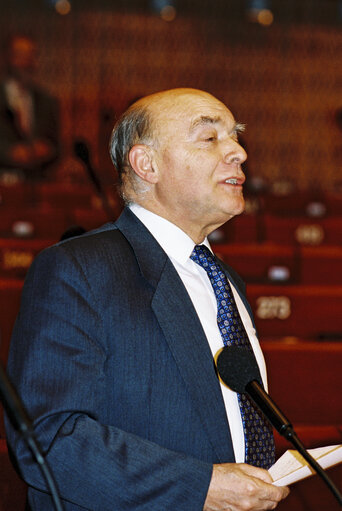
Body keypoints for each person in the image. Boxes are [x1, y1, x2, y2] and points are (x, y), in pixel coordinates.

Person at [5, 88, 289, 510]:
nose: (238, 153)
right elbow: (48, 437)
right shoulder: (77, 269)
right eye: (210, 138)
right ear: (147, 164)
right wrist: (200, 488)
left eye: (235, 136)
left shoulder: (223, 278)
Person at [0, 34, 60, 181]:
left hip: (36, 184)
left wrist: (44, 149)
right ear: (7, 58)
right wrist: (10, 153)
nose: (26, 62)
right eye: (20, 55)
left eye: (30, 55)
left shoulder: (46, 101)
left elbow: (56, 145)